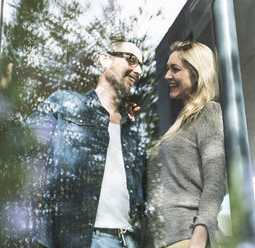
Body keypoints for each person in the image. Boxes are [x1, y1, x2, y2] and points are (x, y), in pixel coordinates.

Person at [19, 40, 146, 248]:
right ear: (105, 59)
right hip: (85, 239)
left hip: (129, 240)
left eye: (141, 65)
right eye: (131, 60)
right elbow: (20, 145)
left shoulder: (131, 127)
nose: (138, 70)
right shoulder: (66, 104)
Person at [149, 40, 226, 248]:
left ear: (196, 72)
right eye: (167, 69)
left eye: (175, 69)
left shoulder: (208, 112)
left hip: (188, 238)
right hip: (169, 239)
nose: (167, 76)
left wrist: (198, 240)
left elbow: (216, 183)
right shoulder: (181, 123)